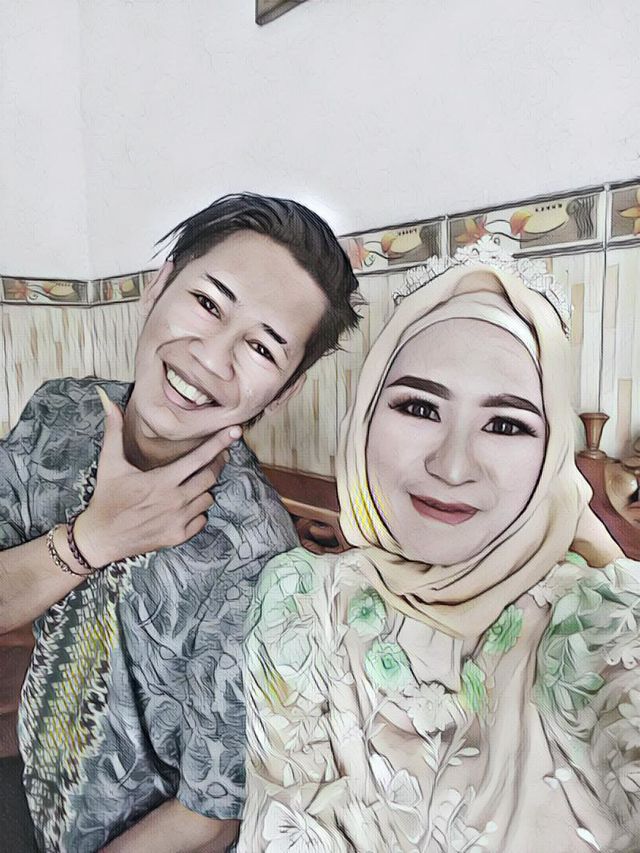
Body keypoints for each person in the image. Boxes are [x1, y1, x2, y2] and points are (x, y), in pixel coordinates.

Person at [239, 257, 640, 852]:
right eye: (420, 408)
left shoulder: (595, 625)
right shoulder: (304, 602)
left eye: (506, 425)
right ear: (364, 418)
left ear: (551, 455)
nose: (452, 468)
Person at [0, 192, 360, 852]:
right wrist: (93, 539)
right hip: (35, 791)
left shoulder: (256, 561)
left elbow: (210, 814)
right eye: (208, 303)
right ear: (159, 285)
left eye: (262, 347)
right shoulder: (60, 416)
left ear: (283, 392)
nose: (211, 357)